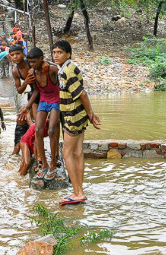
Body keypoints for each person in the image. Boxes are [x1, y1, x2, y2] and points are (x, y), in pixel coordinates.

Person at [52, 40, 101, 205]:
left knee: (66, 153)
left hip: (72, 116)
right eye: (54, 52)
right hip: (77, 115)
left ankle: (77, 192)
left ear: (68, 54)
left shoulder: (67, 70)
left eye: (59, 52)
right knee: (78, 152)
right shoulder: (67, 68)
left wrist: (91, 114)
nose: (56, 55)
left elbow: (83, 94)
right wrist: (88, 115)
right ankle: (79, 190)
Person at [19, 47, 61, 181]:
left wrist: (48, 63)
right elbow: (36, 91)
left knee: (52, 129)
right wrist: (27, 106)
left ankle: (53, 164)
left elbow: (62, 73)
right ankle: (44, 163)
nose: (31, 65)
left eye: (33, 62)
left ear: (41, 60)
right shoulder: (32, 73)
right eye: (29, 62)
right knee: (38, 129)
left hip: (55, 100)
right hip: (43, 100)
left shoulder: (51, 70)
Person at [10, 44, 39, 129]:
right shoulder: (15, 71)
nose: (15, 57)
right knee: (36, 123)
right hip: (34, 92)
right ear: (10, 57)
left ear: (23, 54)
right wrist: (26, 82)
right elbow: (19, 90)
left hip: (43, 90)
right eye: (12, 55)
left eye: (18, 54)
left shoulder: (31, 63)